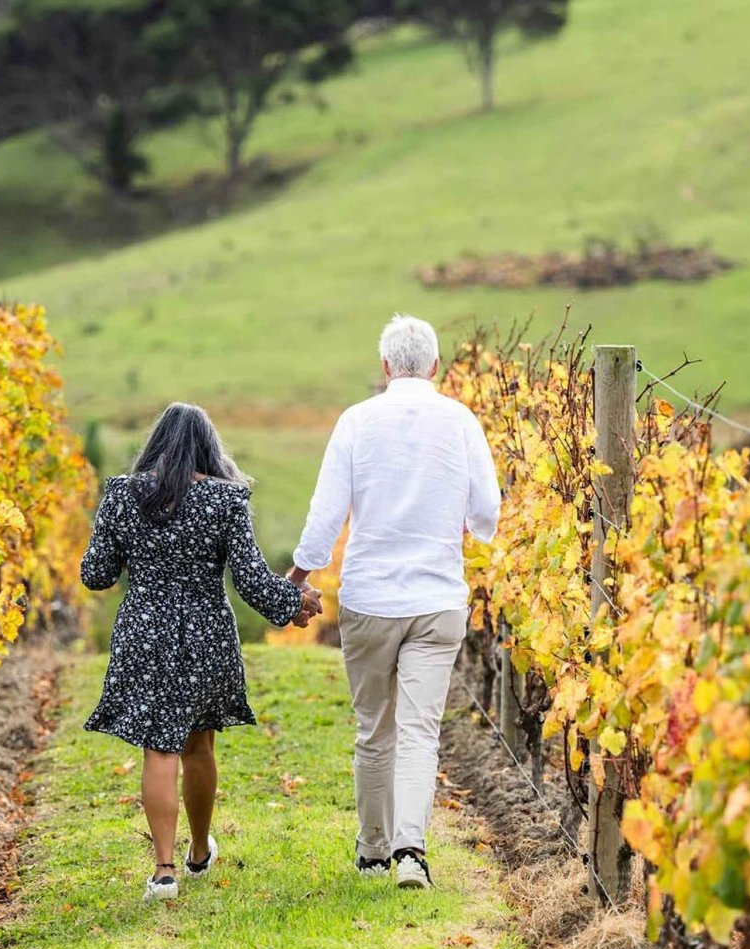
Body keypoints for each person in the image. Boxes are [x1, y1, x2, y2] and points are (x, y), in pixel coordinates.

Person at [289, 314, 501, 889]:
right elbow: (487, 514)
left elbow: (326, 514)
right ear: (436, 366)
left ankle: (372, 850)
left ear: (385, 367)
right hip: (437, 598)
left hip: (371, 597)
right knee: (419, 730)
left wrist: (297, 576)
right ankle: (412, 852)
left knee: (373, 727)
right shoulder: (461, 421)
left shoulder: (356, 422)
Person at [80, 403, 323, 903]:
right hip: (205, 632)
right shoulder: (226, 500)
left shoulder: (124, 496)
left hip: (144, 631)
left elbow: (95, 575)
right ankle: (197, 852)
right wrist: (295, 603)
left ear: (155, 445)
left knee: (158, 748)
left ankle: (164, 871)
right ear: (210, 448)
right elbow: (252, 581)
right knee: (198, 744)